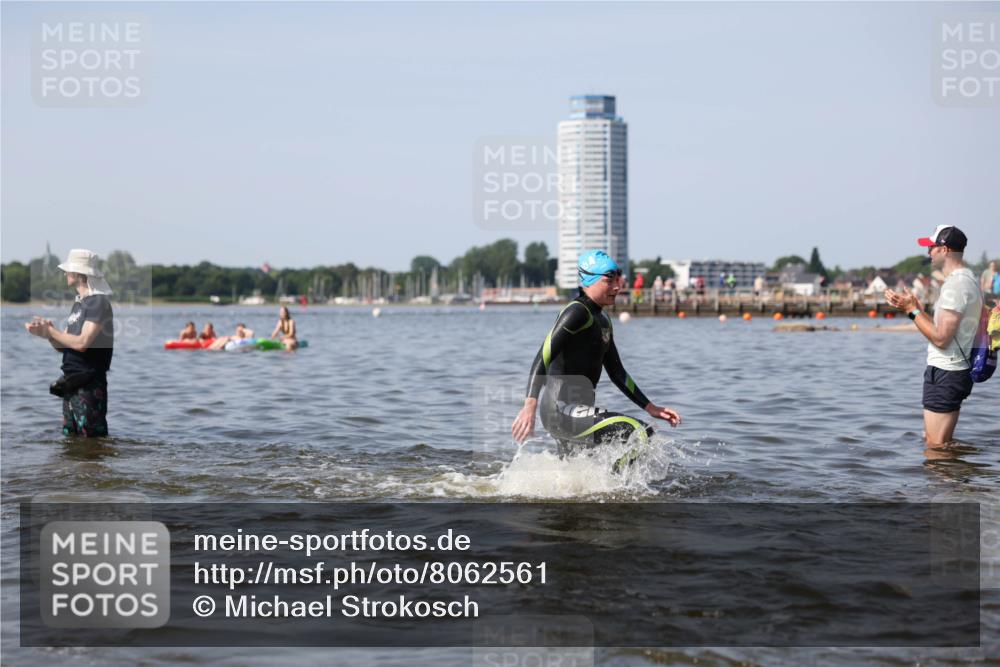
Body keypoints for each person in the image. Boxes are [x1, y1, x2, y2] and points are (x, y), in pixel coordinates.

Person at [510, 250, 682, 470]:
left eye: (618, 280)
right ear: (588, 281)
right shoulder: (577, 312)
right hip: (559, 409)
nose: (617, 287)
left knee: (575, 474)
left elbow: (617, 372)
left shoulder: (603, 319)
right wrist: (529, 405)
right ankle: (616, 488)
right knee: (640, 433)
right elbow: (544, 354)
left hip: (576, 409)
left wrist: (650, 407)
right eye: (609, 281)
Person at [885, 225, 983, 449]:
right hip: (952, 370)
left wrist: (912, 311)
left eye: (932, 247)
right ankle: (953, 482)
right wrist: (918, 309)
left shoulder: (956, 286)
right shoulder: (965, 279)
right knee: (939, 443)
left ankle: (949, 484)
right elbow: (947, 330)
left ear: (945, 250)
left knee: (936, 446)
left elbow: (941, 338)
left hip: (947, 372)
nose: (928, 252)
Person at [24, 249, 113, 437]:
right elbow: (64, 345)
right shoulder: (79, 304)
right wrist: (47, 334)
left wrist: (52, 331)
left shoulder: (98, 302)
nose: (65, 273)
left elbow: (82, 343)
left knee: (91, 442)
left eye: (68, 270)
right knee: (71, 440)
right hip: (71, 382)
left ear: (79, 273)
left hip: (89, 383)